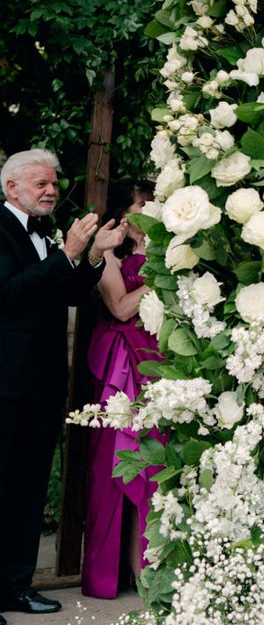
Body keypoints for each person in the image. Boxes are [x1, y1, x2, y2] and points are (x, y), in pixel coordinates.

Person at [0, 148, 124, 625]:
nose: (51, 191)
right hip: (6, 385)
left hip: (42, 384)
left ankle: (15, 586)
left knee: (27, 491)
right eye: (40, 184)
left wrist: (92, 255)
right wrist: (68, 254)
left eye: (54, 183)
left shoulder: (46, 234)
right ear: (12, 188)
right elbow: (9, 293)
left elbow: (66, 294)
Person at [81, 180, 164, 599]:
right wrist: (165, 278)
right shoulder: (108, 253)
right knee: (122, 463)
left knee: (155, 469)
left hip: (160, 358)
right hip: (123, 361)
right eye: (142, 205)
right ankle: (118, 572)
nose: (149, 211)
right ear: (125, 213)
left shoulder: (166, 249)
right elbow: (120, 307)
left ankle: (149, 566)